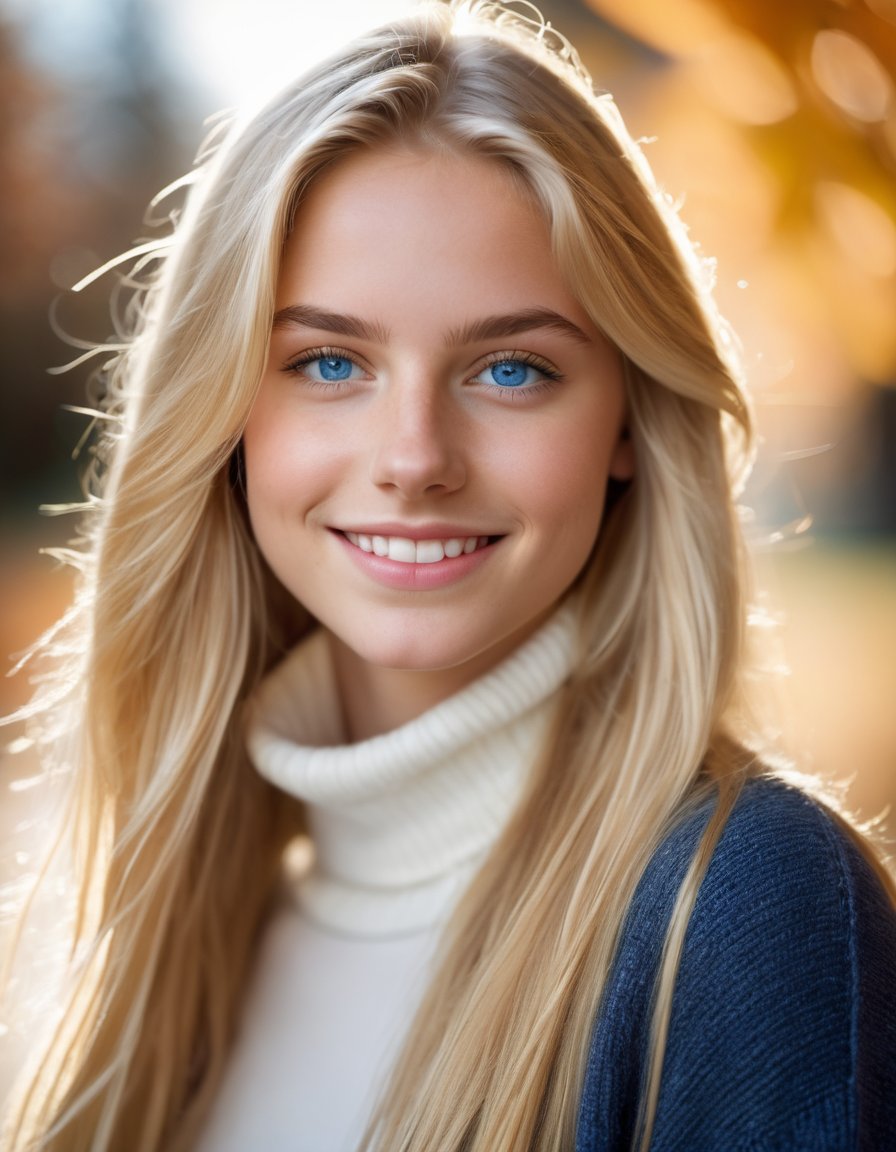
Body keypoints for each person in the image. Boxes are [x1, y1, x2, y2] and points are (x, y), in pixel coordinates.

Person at [2, 2, 895, 1150]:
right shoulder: (168, 915)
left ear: (627, 419)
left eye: (510, 370)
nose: (415, 458)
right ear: (222, 413)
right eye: (329, 361)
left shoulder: (743, 912)